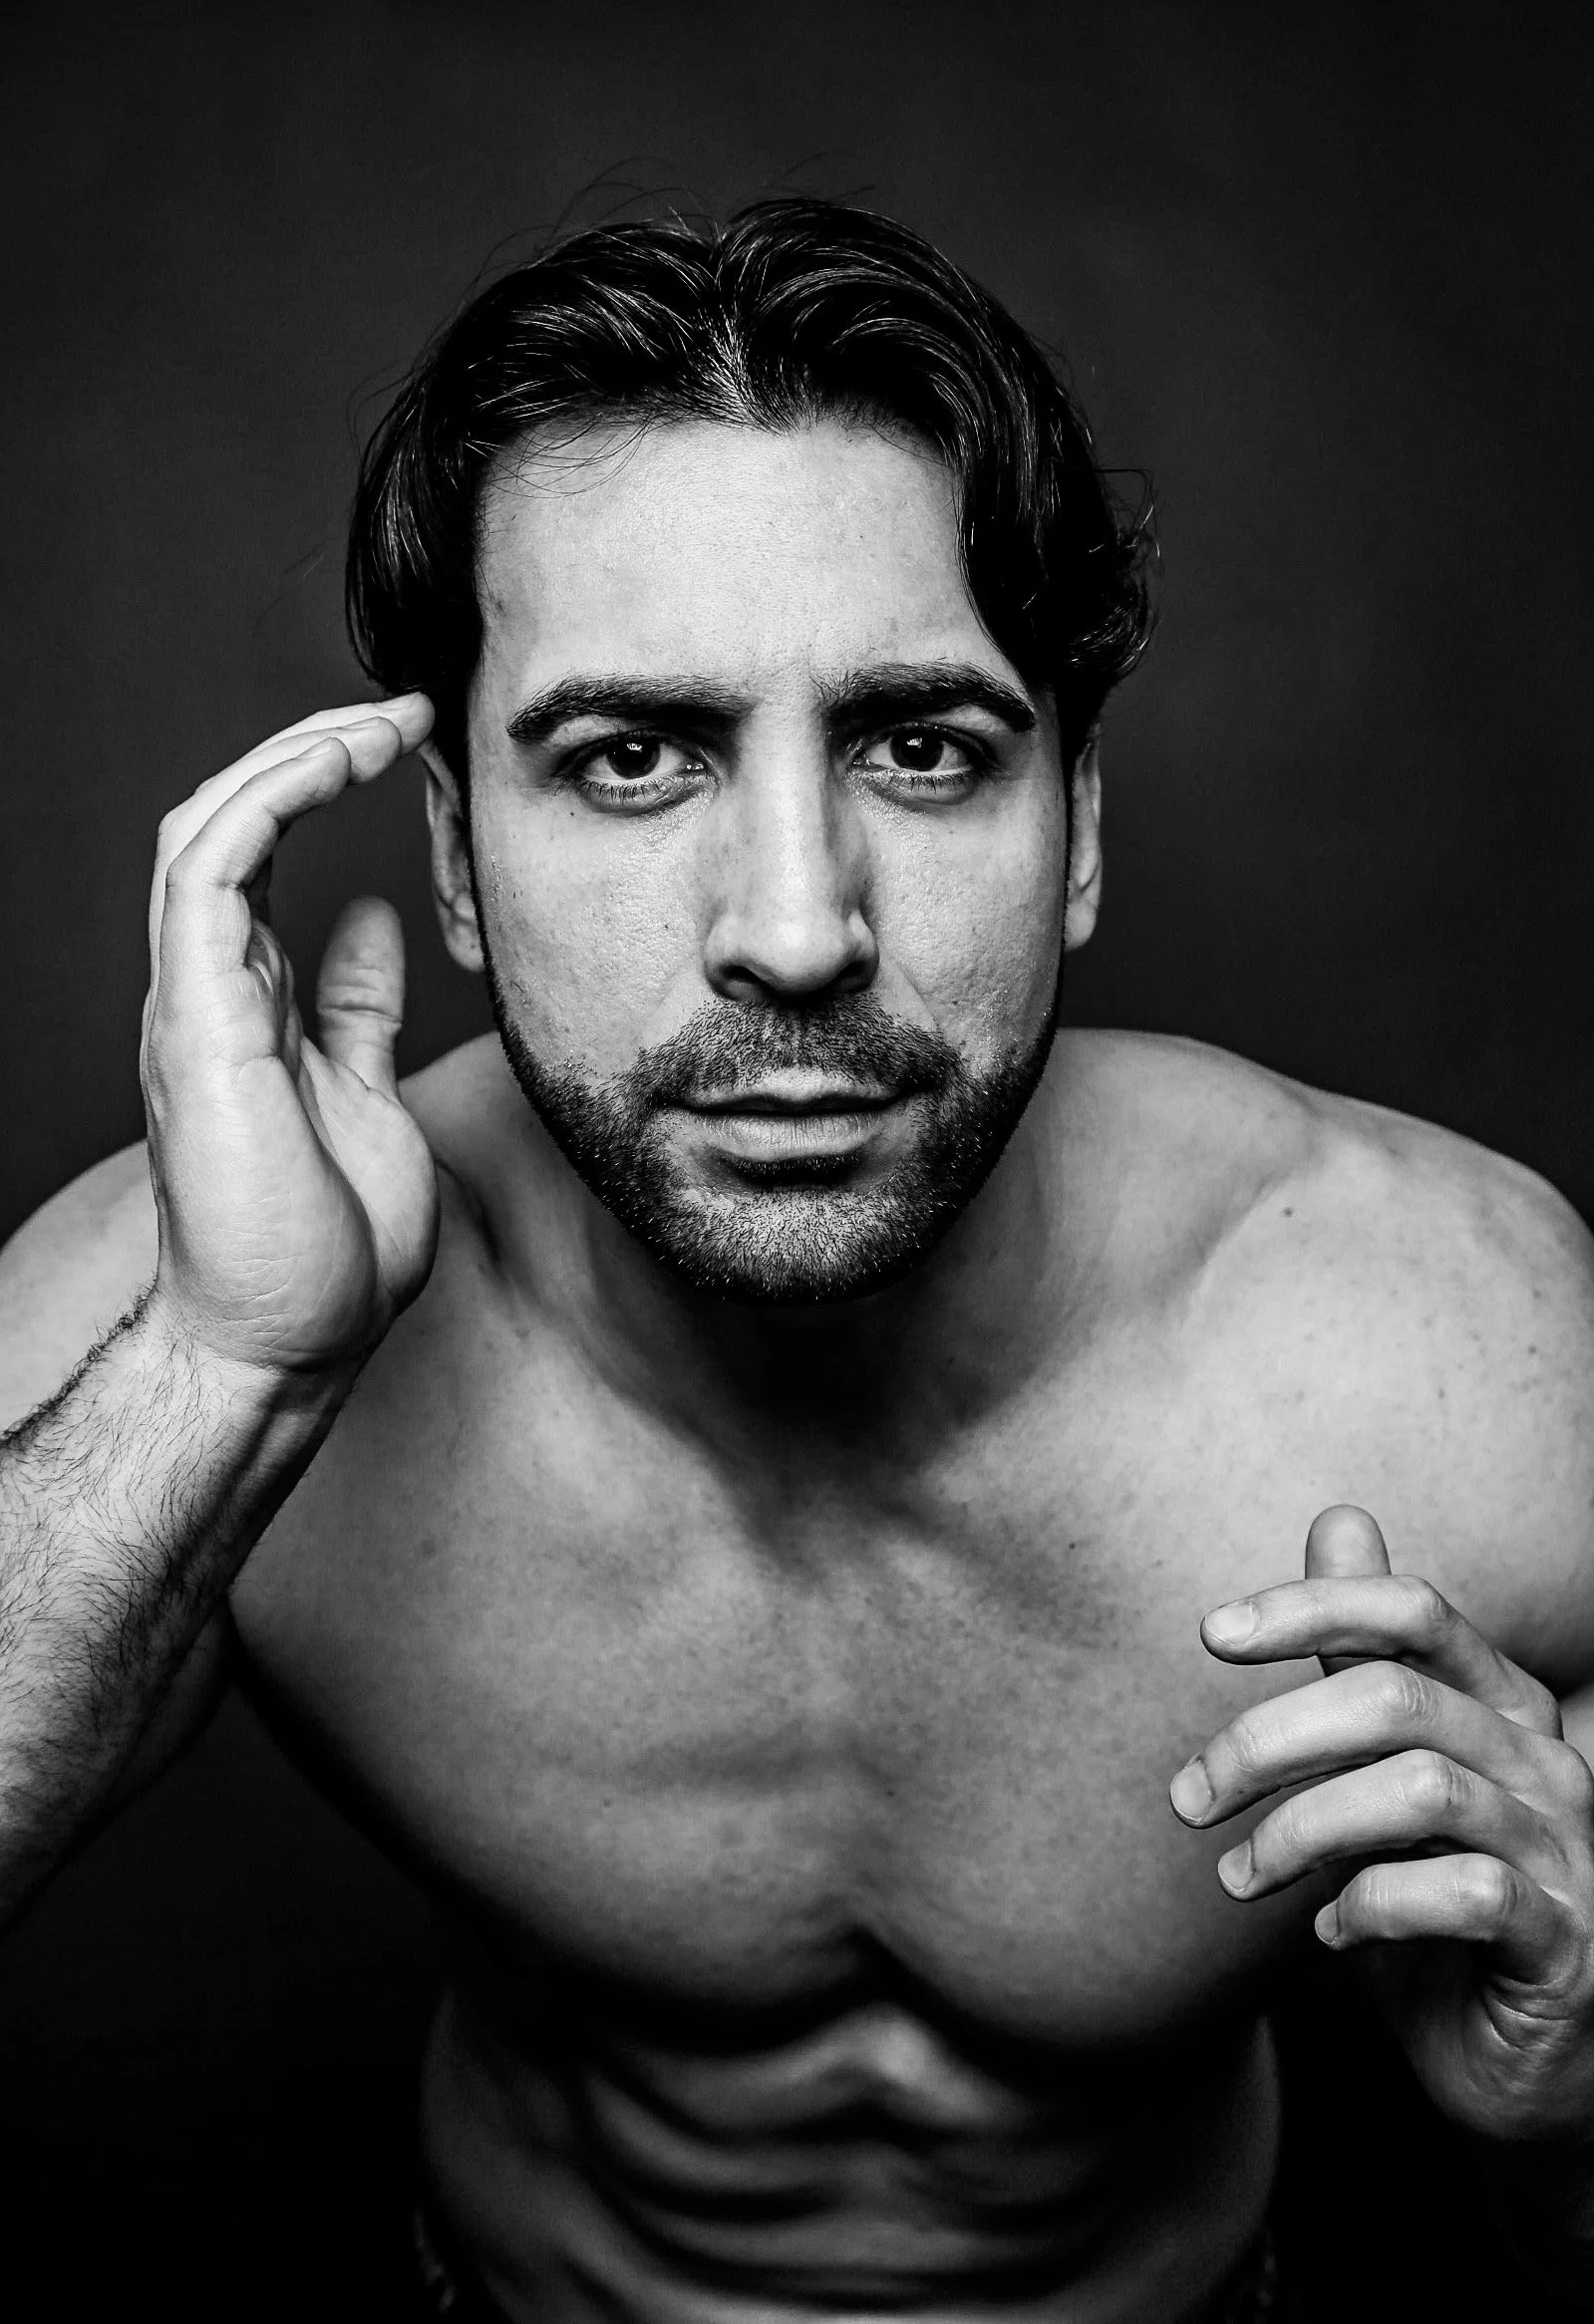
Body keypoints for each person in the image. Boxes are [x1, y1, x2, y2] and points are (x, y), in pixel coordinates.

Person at [3, 199, 1594, 2324]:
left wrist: (1574, 2095)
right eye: (630, 757)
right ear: (459, 860)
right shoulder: (198, 1310)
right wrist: (233, 1370)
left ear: (1083, 826)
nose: (792, 926)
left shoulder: (1460, 1347)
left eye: (921, 748)